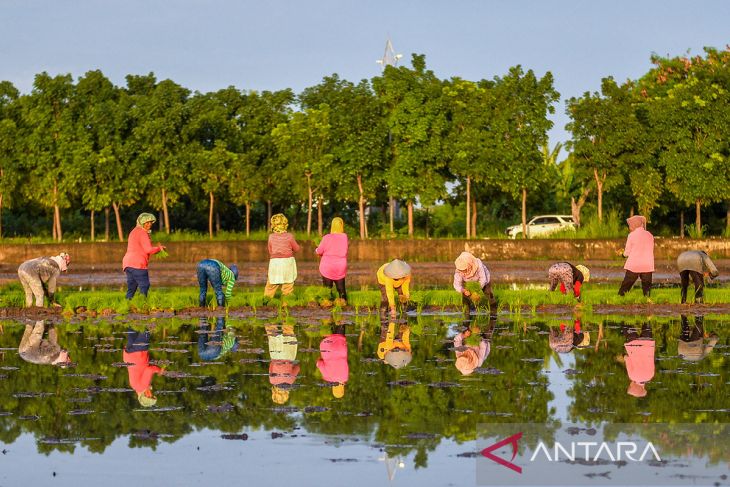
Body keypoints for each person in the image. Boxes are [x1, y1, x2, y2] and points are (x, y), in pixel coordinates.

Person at [122, 213, 165, 300]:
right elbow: (148, 250)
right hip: (138, 264)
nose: (149, 224)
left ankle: (127, 304)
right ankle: (142, 304)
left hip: (127, 264)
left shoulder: (133, 231)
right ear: (142, 222)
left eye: (150, 222)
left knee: (132, 288)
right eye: (147, 222)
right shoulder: (143, 233)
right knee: (145, 285)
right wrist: (159, 249)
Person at [123, 326, 166, 407]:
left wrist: (159, 370)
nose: (152, 394)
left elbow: (149, 370)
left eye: (151, 396)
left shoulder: (143, 386)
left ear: (147, 396)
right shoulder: (134, 386)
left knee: (146, 327)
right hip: (129, 355)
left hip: (138, 354)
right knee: (133, 326)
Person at [264, 214, 301, 302]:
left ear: (273, 225)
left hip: (275, 263)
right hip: (287, 263)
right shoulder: (289, 236)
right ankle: (286, 303)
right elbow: (297, 249)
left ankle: (266, 302)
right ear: (285, 224)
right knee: (288, 284)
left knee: (271, 284)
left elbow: (270, 251)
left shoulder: (271, 237)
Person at [618, 215, 654, 299]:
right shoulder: (650, 235)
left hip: (634, 265)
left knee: (625, 287)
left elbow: (627, 253)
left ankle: (619, 299)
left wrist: (622, 254)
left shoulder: (631, 235)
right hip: (647, 265)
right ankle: (647, 301)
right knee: (647, 289)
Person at [315, 217, 349, 305]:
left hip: (327, 266)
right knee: (341, 289)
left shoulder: (326, 237)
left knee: (327, 289)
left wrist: (316, 250)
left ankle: (327, 304)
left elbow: (319, 251)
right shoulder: (344, 237)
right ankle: (343, 303)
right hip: (340, 267)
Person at [266, 321, 300, 405]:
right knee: (272, 335)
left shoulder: (290, 381)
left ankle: (287, 316)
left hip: (289, 356)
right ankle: (269, 317)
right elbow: (271, 366)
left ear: (286, 394)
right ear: (274, 393)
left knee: (288, 334)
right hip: (275, 356)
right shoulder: (272, 380)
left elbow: (298, 368)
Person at [620, 323, 655, 398]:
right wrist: (624, 356)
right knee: (626, 323)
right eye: (630, 386)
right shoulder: (632, 377)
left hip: (647, 344)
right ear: (633, 386)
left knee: (647, 322)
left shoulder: (650, 376)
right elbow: (627, 360)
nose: (630, 384)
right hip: (633, 344)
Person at [316, 322, 348, 399]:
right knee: (326, 325)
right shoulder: (327, 377)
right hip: (327, 347)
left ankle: (340, 318)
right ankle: (327, 319)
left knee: (340, 323)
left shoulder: (345, 377)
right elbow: (319, 364)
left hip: (341, 347)